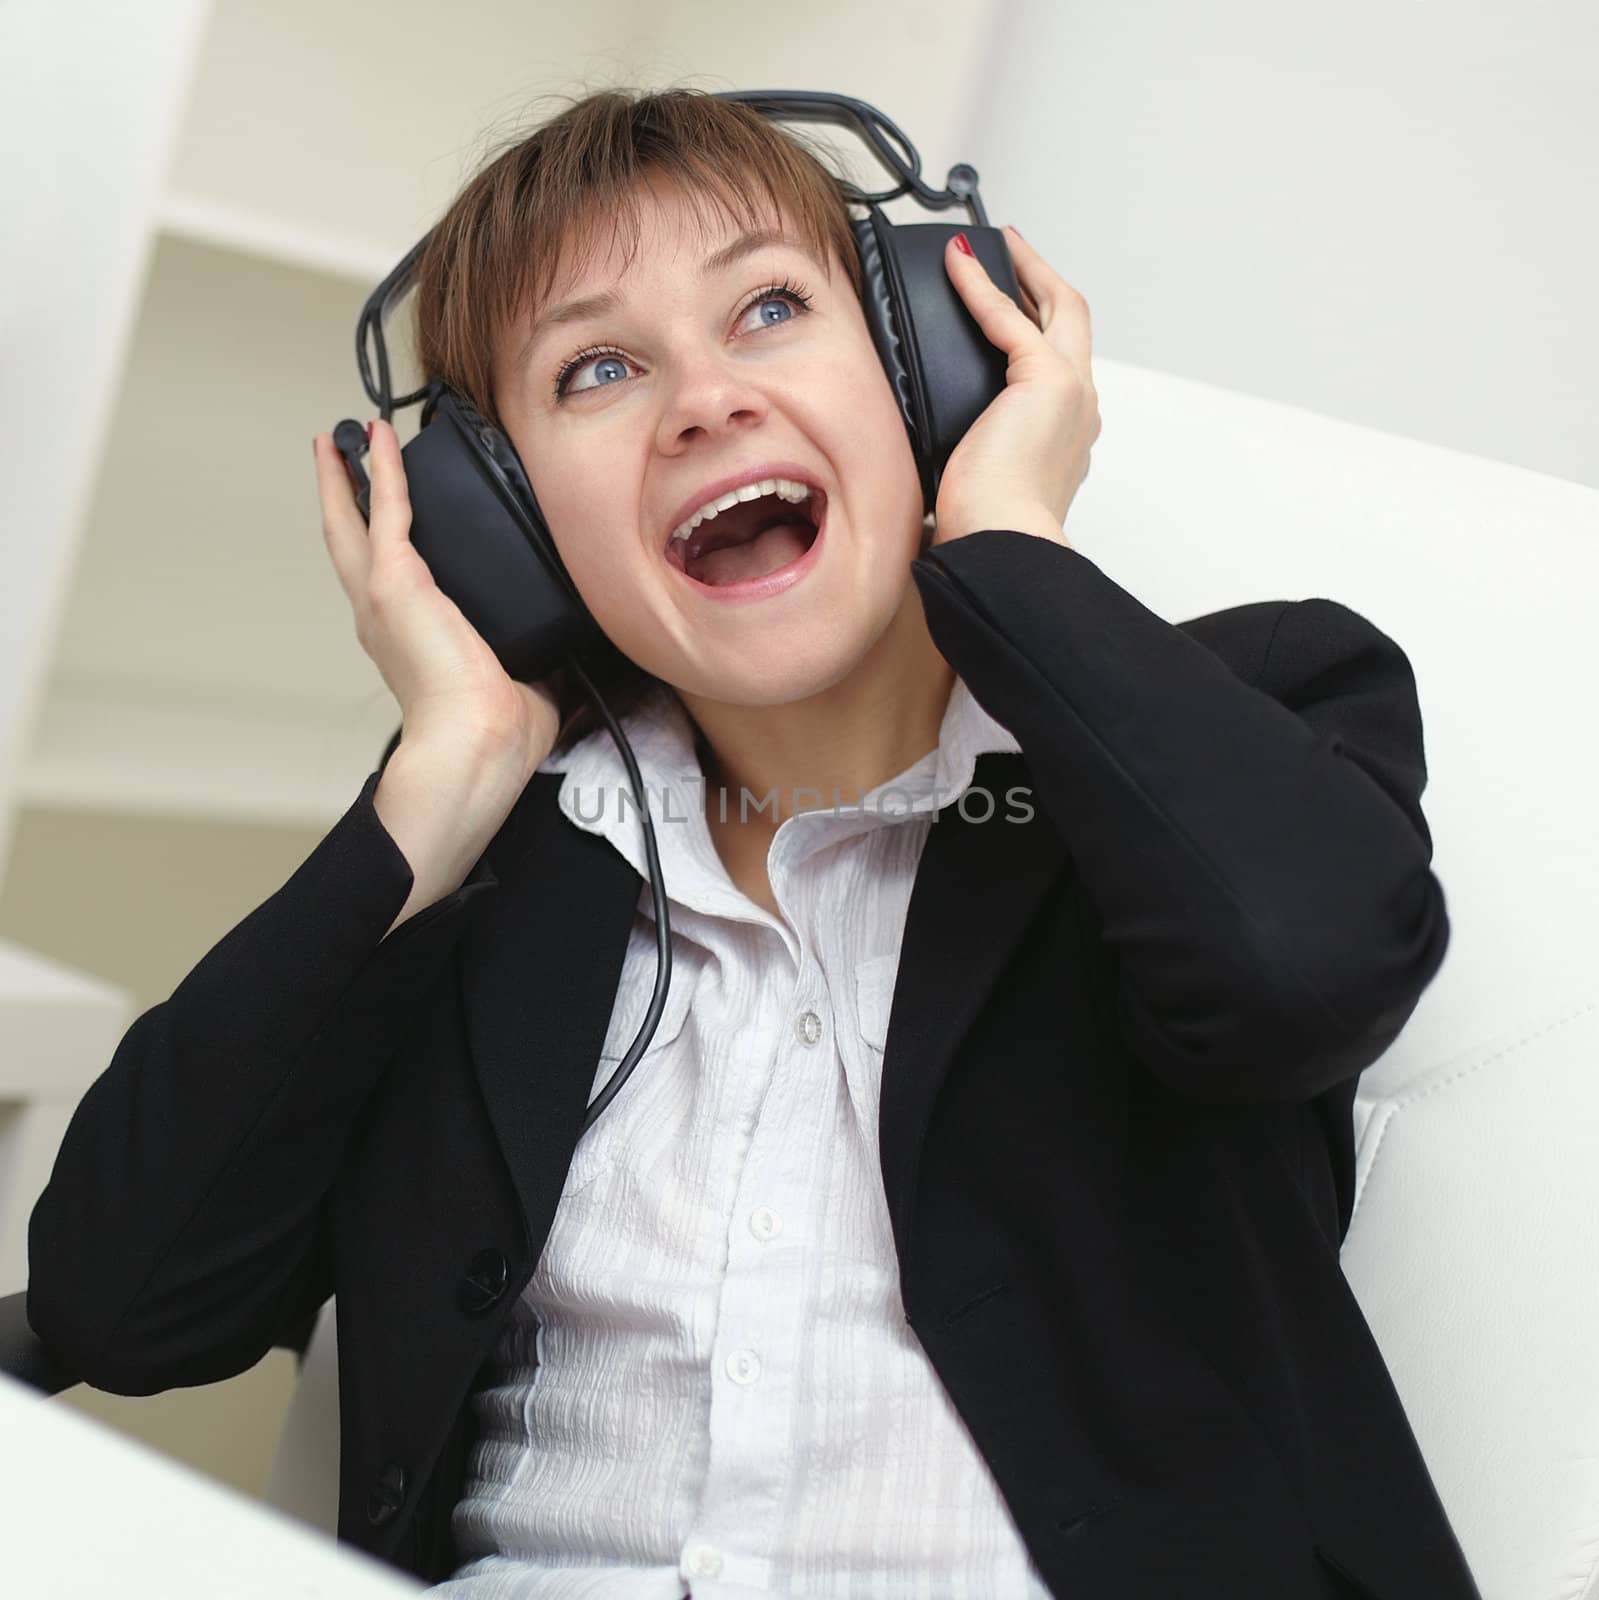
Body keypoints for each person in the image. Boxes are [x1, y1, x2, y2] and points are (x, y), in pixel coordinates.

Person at [25, 86, 1482, 1600]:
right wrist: (442, 777)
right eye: (596, 368)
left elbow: (1304, 970)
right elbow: (123, 1304)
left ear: (921, 362)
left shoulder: (1241, 715)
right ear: (504, 521)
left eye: (772, 309)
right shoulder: (508, 857)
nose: (706, 400)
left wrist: (1007, 548)